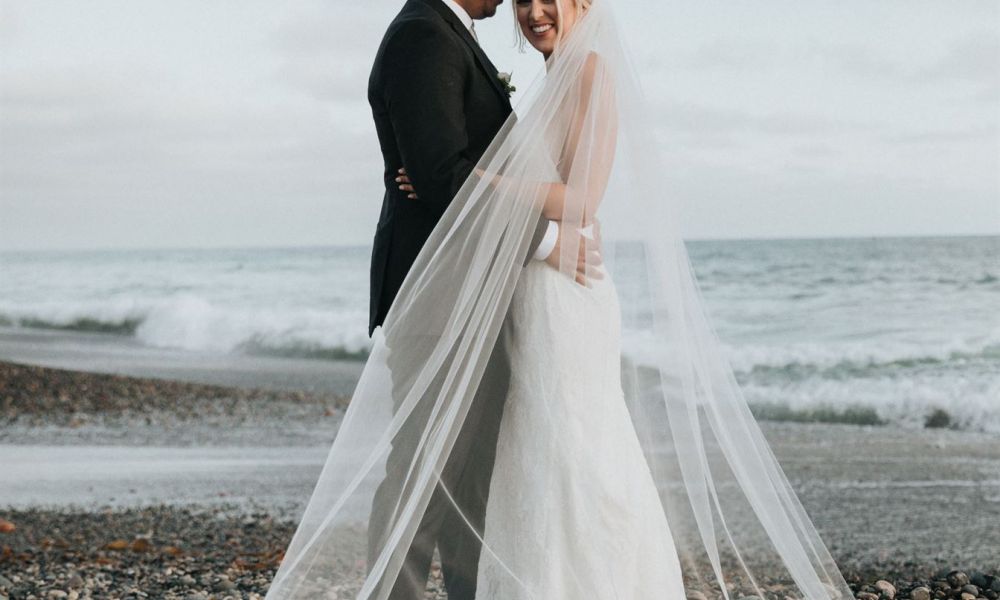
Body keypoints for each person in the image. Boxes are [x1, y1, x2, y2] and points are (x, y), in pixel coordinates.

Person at [266, 0, 855, 598]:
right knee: (459, 466)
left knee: (561, 449)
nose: (529, 10)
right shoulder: (430, 36)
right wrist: (498, 205)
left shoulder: (588, 71)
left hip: (557, 292)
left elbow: (579, 197)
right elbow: (450, 176)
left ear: (583, 4)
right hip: (488, 290)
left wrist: (480, 183)